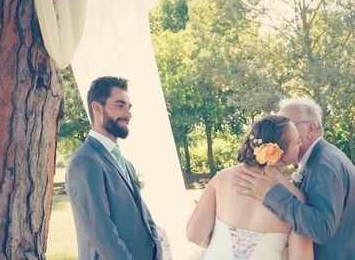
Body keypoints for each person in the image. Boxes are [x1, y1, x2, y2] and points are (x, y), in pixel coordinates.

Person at [235, 97, 355, 260]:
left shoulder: (323, 166)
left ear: (311, 128)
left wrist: (271, 194)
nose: (281, 132)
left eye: (290, 124)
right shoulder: (317, 159)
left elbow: (321, 229)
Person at [66, 76, 167, 259]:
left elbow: (145, 218)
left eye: (129, 107)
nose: (128, 115)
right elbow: (102, 233)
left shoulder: (126, 163)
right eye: (120, 106)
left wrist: (157, 252)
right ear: (97, 108)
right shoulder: (85, 161)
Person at [187, 115, 313, 260]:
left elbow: (194, 234)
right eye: (297, 142)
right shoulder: (296, 199)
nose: (301, 144)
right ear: (279, 152)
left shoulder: (222, 178)